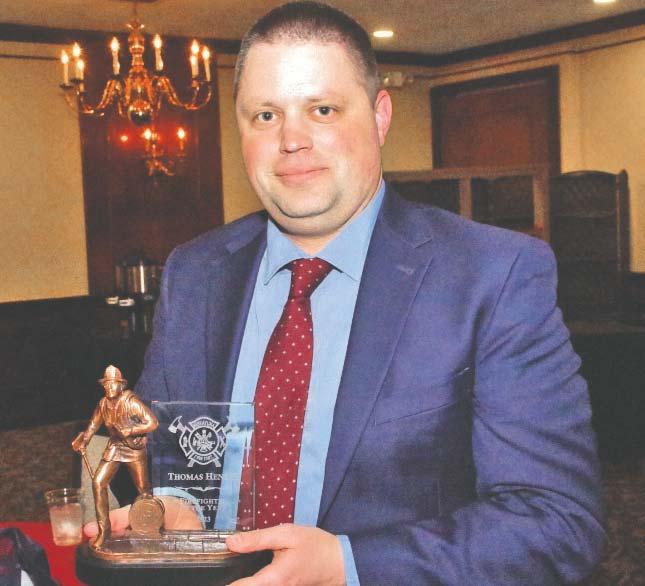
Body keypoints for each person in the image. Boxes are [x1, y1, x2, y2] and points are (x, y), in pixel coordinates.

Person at [99, 2, 605, 583]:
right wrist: (169, 504)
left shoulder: (492, 275)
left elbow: (556, 522)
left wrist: (348, 565)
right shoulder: (195, 272)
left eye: (322, 109)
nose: (291, 139)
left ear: (380, 116)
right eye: (265, 115)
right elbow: (159, 452)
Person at [72, 365, 158, 549]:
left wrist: (131, 429)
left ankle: (150, 528)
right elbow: (93, 425)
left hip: (134, 449)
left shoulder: (131, 402)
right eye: (106, 384)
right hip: (115, 447)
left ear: (121, 385)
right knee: (98, 483)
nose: (109, 387)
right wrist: (84, 440)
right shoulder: (103, 404)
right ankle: (104, 531)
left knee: (143, 490)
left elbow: (152, 422)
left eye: (113, 383)